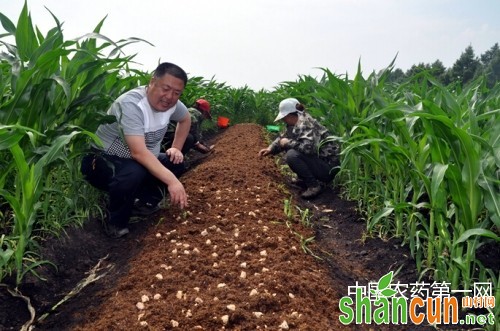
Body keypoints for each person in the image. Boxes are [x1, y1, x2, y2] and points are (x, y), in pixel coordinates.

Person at [81, 62, 190, 238]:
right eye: (166, 88)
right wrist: (172, 182)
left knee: (175, 162)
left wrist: (176, 148)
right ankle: (116, 222)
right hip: (101, 161)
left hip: (140, 161)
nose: (169, 97)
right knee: (134, 172)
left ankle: (143, 204)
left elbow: (185, 119)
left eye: (176, 93)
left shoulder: (172, 105)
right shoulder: (131, 105)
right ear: (152, 81)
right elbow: (138, 152)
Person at [258, 98, 340, 199]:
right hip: (319, 162)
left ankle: (313, 185)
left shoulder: (306, 124)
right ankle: (304, 180)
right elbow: (282, 137)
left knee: (292, 154)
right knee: (290, 147)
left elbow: (308, 149)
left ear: (289, 115)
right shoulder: (295, 123)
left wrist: (288, 143)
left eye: (284, 117)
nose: (283, 120)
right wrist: (270, 149)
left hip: (328, 168)